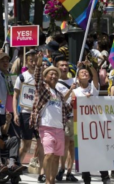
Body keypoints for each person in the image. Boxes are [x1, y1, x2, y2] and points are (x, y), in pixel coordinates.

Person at [30, 52, 72, 184]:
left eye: (55, 74)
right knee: (48, 155)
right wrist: (38, 64)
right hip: (46, 128)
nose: (53, 76)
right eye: (51, 74)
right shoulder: (43, 89)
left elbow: (67, 109)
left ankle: (52, 181)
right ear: (46, 77)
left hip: (59, 128)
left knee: (56, 157)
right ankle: (48, 181)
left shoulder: (59, 94)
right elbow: (37, 78)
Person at [13, 50, 45, 179]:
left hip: (40, 113)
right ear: (26, 62)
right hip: (25, 113)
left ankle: (42, 172)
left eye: (35, 60)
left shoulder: (42, 76)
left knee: (41, 143)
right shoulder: (22, 77)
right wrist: (16, 113)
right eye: (30, 61)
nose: (33, 63)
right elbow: (15, 96)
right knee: (25, 144)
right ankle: (16, 167)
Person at [54, 56, 79, 182]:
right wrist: (70, 90)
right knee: (65, 144)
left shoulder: (74, 80)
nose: (64, 67)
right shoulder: (55, 83)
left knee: (73, 145)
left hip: (75, 116)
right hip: (63, 117)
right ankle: (61, 168)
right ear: (57, 67)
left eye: (66, 65)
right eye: (61, 65)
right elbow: (61, 99)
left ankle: (69, 171)